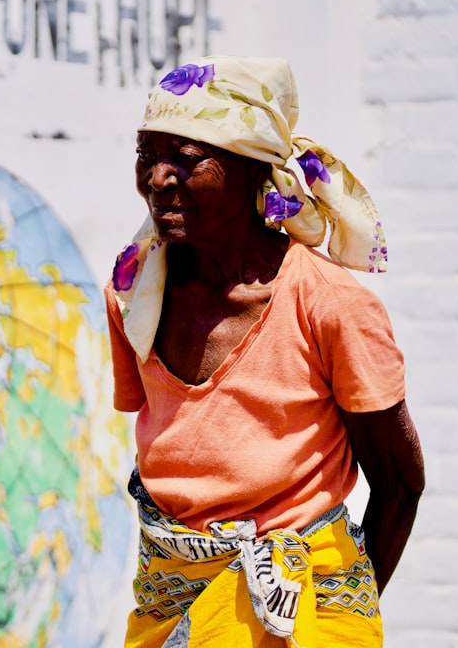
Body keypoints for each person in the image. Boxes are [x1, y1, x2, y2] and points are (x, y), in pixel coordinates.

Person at [105, 56, 424, 648]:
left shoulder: (329, 304)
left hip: (306, 612)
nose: (158, 177)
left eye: (187, 157)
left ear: (253, 170)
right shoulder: (133, 294)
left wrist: (336, 613)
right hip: (170, 602)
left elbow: (401, 482)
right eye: (147, 155)